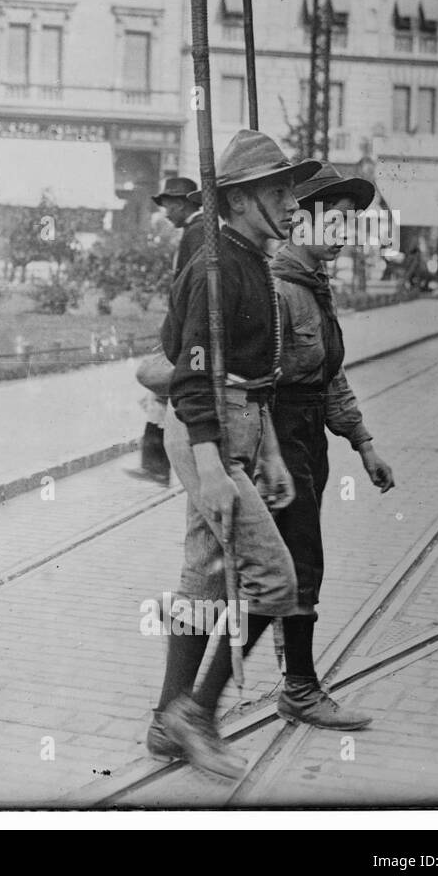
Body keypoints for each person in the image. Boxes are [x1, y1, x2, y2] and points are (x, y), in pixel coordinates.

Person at [147, 130, 319, 781]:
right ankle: (197, 714)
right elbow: (189, 376)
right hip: (205, 429)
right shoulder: (215, 268)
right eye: (280, 192)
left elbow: (257, 375)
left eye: (292, 191)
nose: (294, 204)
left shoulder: (251, 262)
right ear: (242, 199)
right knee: (274, 580)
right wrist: (215, 466)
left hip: (236, 425)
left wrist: (266, 450)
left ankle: (166, 718)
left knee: (204, 576)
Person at [272, 162, 397, 730]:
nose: (347, 235)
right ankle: (298, 687)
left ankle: (282, 667)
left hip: (306, 438)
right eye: (338, 222)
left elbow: (330, 377)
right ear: (301, 222)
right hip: (276, 437)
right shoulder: (277, 289)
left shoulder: (313, 287)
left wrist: (363, 444)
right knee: (295, 560)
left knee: (290, 560)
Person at [132, 177, 206, 484]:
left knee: (165, 390)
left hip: (187, 331)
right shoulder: (197, 229)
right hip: (184, 329)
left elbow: (191, 288)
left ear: (183, 204)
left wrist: (177, 333)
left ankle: (160, 465)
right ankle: (156, 464)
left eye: (169, 206)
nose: (166, 213)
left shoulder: (197, 232)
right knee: (161, 394)